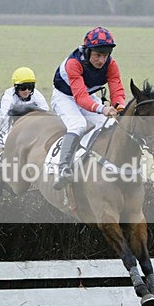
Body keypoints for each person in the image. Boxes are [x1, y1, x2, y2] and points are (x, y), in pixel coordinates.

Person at [50, 26, 126, 190]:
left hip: (86, 95)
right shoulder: (73, 63)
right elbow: (80, 97)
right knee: (78, 125)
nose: (101, 60)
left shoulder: (111, 65)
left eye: (105, 56)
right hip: (65, 97)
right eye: (98, 55)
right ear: (87, 51)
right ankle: (63, 169)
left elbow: (117, 89)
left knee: (109, 124)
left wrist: (119, 107)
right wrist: (102, 109)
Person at [0, 66, 49, 147]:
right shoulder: (8, 98)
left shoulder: (37, 96)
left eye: (30, 87)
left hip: (27, 130)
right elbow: (6, 122)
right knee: (12, 146)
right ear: (16, 87)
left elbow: (45, 115)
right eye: (23, 87)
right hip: (3, 130)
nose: (27, 91)